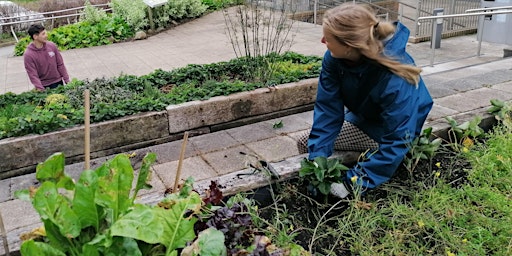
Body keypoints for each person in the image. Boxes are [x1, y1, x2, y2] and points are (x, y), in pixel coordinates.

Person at [297, 3, 433, 198]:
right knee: (311, 146)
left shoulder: (394, 78)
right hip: (366, 116)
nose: (322, 41)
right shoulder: (335, 59)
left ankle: (377, 178)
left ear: (349, 46)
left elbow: (398, 137)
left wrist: (353, 182)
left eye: (328, 38)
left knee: (306, 143)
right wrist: (318, 160)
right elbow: (328, 109)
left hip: (398, 128)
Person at [23, 24, 69, 91]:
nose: (46, 36)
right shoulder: (29, 54)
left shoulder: (52, 46)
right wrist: (40, 89)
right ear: (35, 36)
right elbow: (32, 74)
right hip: (43, 85)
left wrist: (67, 80)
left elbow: (60, 64)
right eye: (43, 34)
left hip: (58, 82)